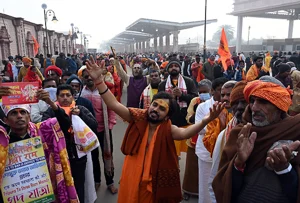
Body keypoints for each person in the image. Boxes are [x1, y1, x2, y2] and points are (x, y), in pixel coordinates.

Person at [84, 56, 225, 203]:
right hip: (131, 177)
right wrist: (99, 81)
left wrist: (206, 120)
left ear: (167, 116)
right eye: (155, 105)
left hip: (154, 183)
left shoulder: (168, 128)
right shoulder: (138, 116)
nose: (156, 109)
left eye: (162, 109)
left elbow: (185, 133)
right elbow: (113, 104)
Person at [213, 77, 300, 203]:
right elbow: (223, 189)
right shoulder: (239, 134)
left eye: (263, 102)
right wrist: (239, 163)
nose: (254, 108)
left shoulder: (295, 131)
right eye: (252, 101)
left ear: (279, 106)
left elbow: (294, 193)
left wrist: (284, 169)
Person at [0, 89, 80, 202]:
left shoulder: (43, 131)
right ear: (6, 120)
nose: (19, 116)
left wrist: (50, 103)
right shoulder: (2, 140)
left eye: (23, 112)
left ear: (29, 116)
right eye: (14, 113)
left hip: (44, 193)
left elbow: (65, 124)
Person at [42, 84, 97, 203]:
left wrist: (81, 116)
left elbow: (94, 125)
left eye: (68, 95)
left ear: (73, 97)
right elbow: (44, 128)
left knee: (78, 187)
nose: (65, 98)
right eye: (62, 95)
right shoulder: (51, 112)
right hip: (58, 159)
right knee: (62, 188)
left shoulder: (80, 109)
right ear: (57, 97)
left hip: (78, 157)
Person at [208, 81, 248, 203]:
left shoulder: (263, 130)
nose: (239, 107)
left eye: (244, 102)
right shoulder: (224, 135)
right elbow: (215, 176)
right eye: (235, 103)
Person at [81, 68, 118, 194]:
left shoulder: (103, 90)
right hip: (88, 132)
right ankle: (97, 181)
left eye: (91, 76)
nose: (89, 78)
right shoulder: (81, 93)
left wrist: (110, 125)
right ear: (83, 78)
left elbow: (112, 108)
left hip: (104, 130)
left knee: (107, 155)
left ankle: (110, 182)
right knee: (93, 157)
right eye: (86, 77)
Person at [195, 77, 229, 203]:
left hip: (226, 153)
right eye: (221, 91)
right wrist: (218, 124)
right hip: (206, 154)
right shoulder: (202, 107)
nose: (223, 95)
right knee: (205, 186)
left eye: (226, 92)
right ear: (213, 91)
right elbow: (199, 129)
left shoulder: (230, 107)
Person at [158, 59, 198, 156]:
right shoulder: (162, 84)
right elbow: (159, 101)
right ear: (168, 70)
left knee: (187, 151)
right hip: (169, 121)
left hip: (185, 121)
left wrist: (182, 95)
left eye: (176, 66)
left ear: (180, 68)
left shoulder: (189, 82)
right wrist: (170, 98)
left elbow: (195, 99)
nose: (174, 68)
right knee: (170, 152)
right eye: (171, 66)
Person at [182, 79, 212, 200]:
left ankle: (204, 192)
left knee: (206, 171)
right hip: (193, 138)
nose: (202, 94)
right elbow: (188, 118)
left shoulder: (214, 102)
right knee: (191, 168)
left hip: (209, 139)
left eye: (206, 91)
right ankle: (188, 190)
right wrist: (195, 111)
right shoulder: (195, 101)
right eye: (201, 92)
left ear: (211, 91)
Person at [202, 81, 236, 156]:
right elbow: (208, 144)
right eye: (222, 95)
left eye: (229, 95)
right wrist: (221, 127)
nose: (225, 98)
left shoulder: (244, 114)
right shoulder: (216, 114)